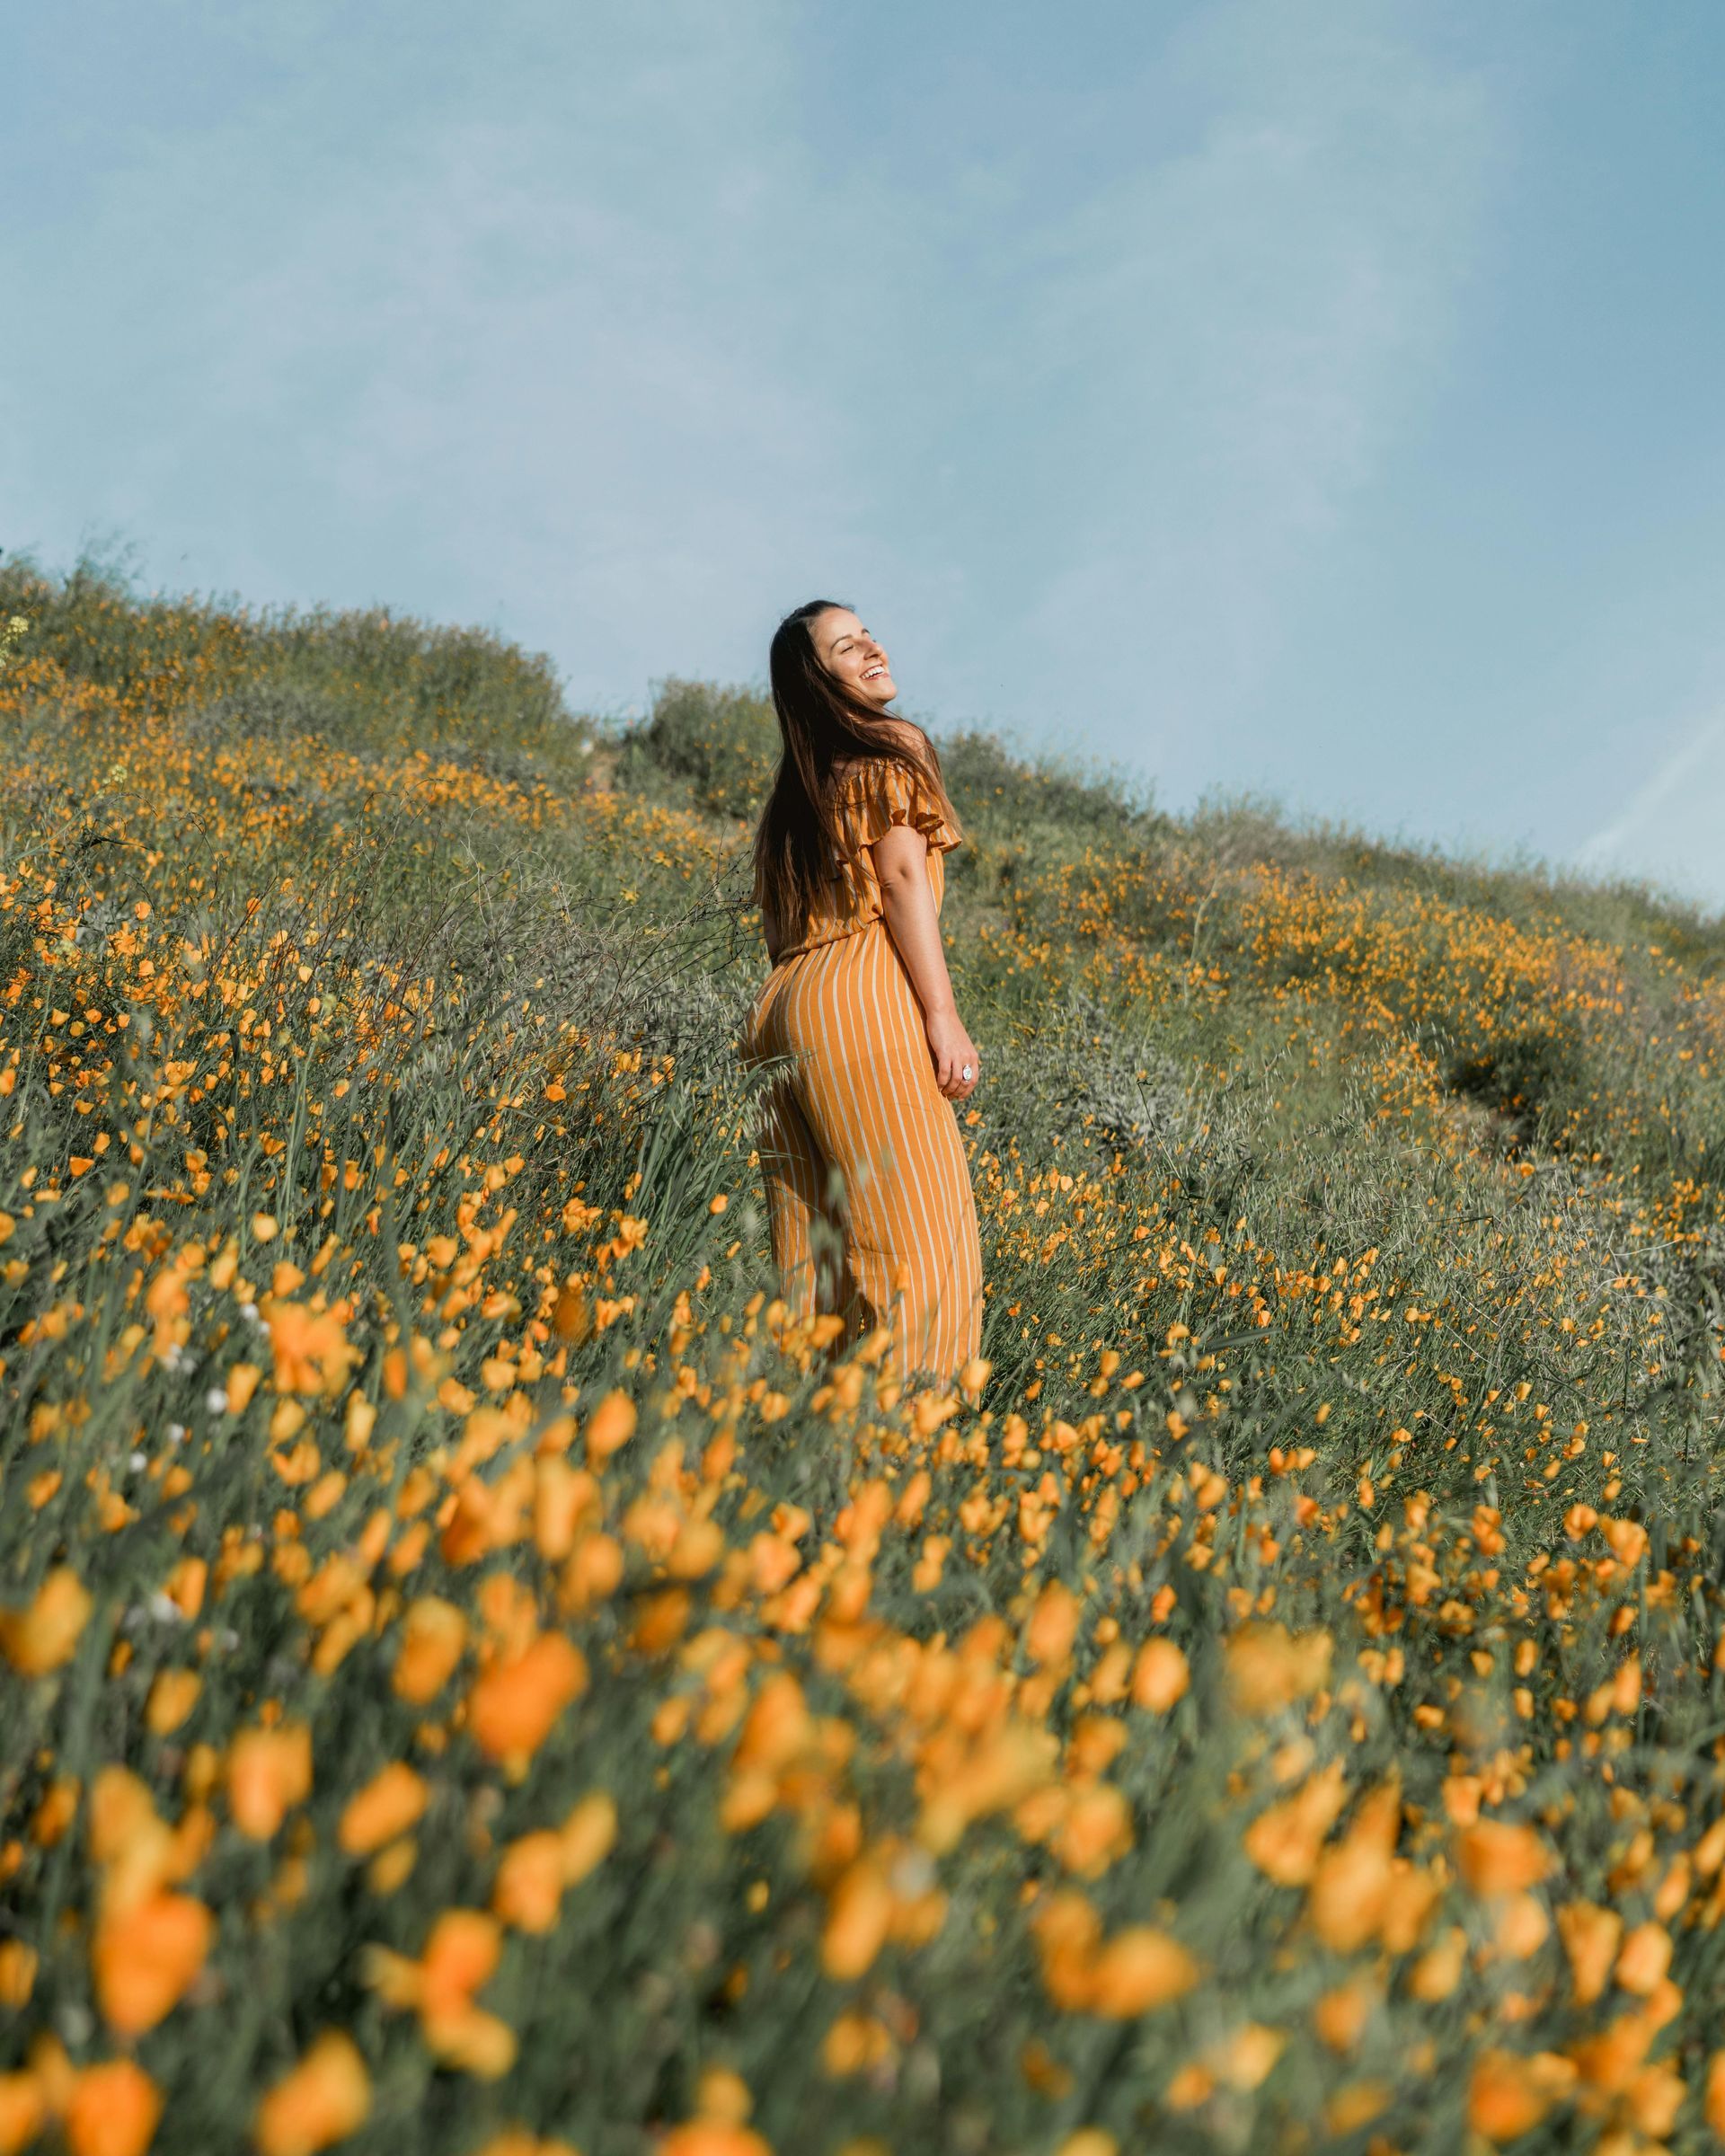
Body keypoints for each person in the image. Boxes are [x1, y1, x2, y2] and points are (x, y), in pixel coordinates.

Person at [746, 600, 984, 1381]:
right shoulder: (895, 746)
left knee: (813, 1262)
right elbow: (903, 876)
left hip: (782, 1010)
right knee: (919, 1244)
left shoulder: (792, 800)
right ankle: (904, 1452)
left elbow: (779, 936)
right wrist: (941, 1017)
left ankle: (796, 1440)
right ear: (821, 680)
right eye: (848, 647)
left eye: (866, 634)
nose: (872, 648)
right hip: (860, 999)